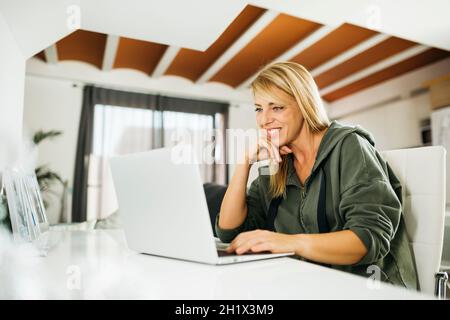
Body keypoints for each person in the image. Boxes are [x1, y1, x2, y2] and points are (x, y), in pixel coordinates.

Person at [215, 61, 418, 289]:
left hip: (369, 289)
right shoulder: (274, 167)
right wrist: (244, 163)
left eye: (277, 107)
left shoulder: (349, 147)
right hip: (308, 286)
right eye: (259, 108)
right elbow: (228, 231)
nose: (264, 120)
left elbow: (368, 238)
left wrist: (289, 243)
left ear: (304, 105)